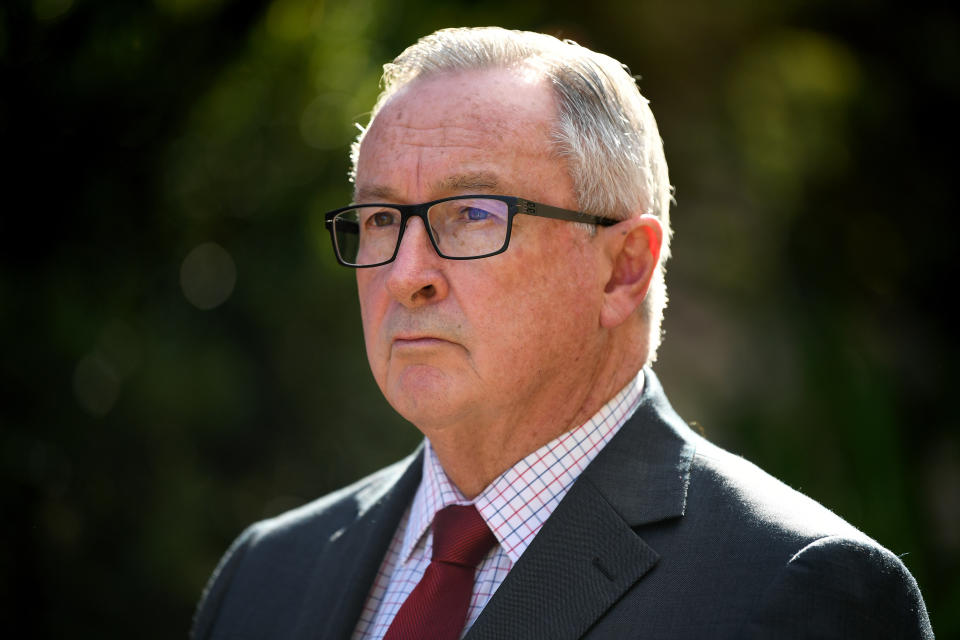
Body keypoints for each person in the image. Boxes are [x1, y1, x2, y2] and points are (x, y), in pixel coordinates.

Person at [191, 27, 932, 639]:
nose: (406, 273)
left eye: (472, 214)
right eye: (383, 218)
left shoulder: (800, 590)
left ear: (623, 269)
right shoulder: (263, 578)